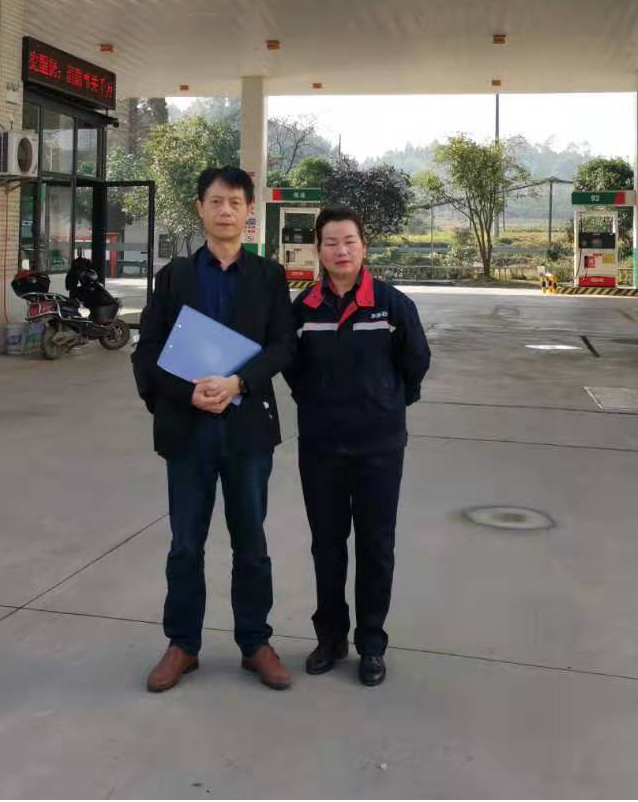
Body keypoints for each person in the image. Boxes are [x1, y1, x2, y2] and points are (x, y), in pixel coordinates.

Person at [133, 167, 297, 694]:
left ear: (249, 212)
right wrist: (187, 394)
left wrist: (237, 383)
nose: (225, 210)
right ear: (200, 209)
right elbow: (148, 351)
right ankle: (183, 644)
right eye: (215, 201)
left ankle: (255, 643)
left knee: (251, 542)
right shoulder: (174, 276)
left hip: (246, 431)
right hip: (188, 431)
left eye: (235, 202)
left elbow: (284, 346)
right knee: (186, 544)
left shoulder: (268, 276)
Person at [287, 206, 431, 688]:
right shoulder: (304, 308)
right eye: (330, 242)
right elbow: (292, 368)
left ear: (364, 246)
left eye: (349, 241)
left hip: (379, 449)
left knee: (376, 546)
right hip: (321, 448)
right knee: (326, 546)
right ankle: (330, 639)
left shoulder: (392, 305)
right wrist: (319, 404)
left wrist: (387, 402)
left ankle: (371, 644)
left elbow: (415, 362)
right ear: (318, 249)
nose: (341, 250)